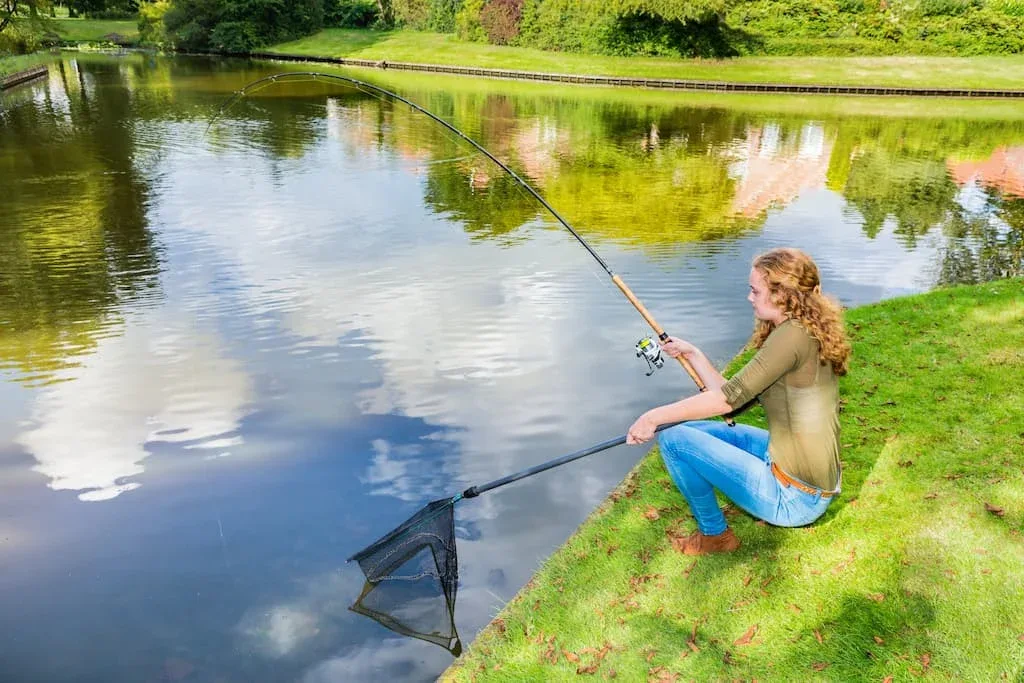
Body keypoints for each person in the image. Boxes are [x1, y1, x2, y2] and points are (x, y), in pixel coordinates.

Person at [625, 248, 851, 555]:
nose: (749, 297)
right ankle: (718, 531)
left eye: (755, 290)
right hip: (799, 473)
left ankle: (715, 536)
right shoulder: (798, 329)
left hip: (796, 498)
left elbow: (727, 401)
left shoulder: (792, 337)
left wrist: (653, 417)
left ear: (781, 294)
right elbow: (735, 395)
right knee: (693, 431)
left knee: (674, 437)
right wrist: (694, 355)